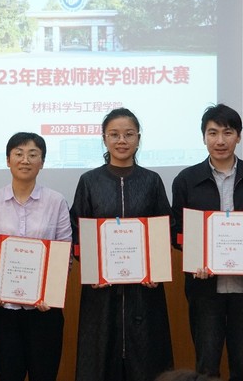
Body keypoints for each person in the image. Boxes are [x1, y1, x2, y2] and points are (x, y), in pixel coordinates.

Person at [70, 108, 174, 381]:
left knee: (147, 360)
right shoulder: (89, 181)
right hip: (101, 292)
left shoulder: (151, 180)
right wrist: (92, 268)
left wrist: (156, 269)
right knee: (100, 360)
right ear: (104, 139)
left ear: (138, 138)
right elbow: (78, 230)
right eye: (114, 134)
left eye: (129, 134)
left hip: (145, 290)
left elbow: (164, 227)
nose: (122, 140)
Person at [171, 104, 243, 381]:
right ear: (203, 137)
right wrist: (194, 256)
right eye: (212, 133)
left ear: (238, 136)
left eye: (227, 133)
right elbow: (177, 231)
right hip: (204, 289)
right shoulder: (186, 180)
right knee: (206, 367)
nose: (220, 140)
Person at [0, 132, 72, 381]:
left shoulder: (56, 201)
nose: (25, 160)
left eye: (33, 154)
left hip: (44, 310)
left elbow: (64, 254)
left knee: (45, 375)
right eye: (18, 154)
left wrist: (50, 293)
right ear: (8, 160)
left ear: (42, 162)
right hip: (2, 310)